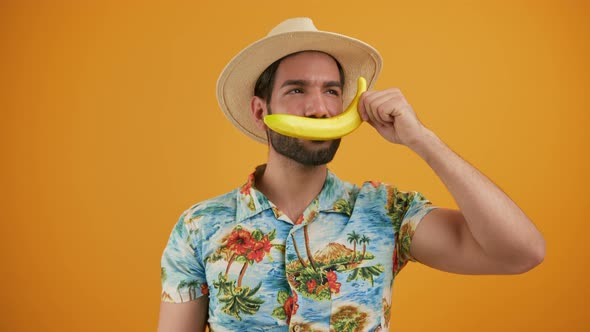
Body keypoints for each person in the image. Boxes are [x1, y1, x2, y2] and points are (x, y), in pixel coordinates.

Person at [157, 18, 545, 332]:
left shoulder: (387, 212)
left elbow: (521, 252)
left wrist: (423, 140)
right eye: (296, 91)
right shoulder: (199, 226)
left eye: (331, 91)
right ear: (261, 112)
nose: (319, 109)